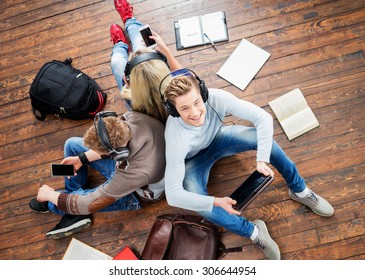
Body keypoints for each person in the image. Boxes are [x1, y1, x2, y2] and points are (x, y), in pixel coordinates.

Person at [160, 69, 334, 260]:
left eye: (196, 102)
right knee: (202, 206)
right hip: (193, 162)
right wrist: (215, 201)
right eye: (184, 108)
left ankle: (299, 190)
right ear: (174, 110)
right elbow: (174, 195)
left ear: (203, 93)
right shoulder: (174, 137)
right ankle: (254, 232)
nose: (195, 113)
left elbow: (263, 118)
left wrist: (262, 158)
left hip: (219, 138)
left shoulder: (218, 98)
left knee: (266, 143)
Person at [29, 111, 165, 239]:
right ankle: (74, 206)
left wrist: (50, 195)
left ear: (117, 154)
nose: (93, 152)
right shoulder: (130, 118)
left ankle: (68, 209)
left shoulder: (138, 171)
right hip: (129, 166)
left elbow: (89, 203)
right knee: (71, 145)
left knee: (56, 203)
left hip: (134, 193)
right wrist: (81, 159)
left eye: (100, 152)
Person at [110, 0, 182, 123]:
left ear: (127, 81)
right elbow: (182, 74)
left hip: (140, 108)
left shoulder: (136, 113)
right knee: (139, 46)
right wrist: (166, 50)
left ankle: (120, 43)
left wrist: (128, 88)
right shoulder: (180, 91)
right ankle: (129, 20)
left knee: (117, 61)